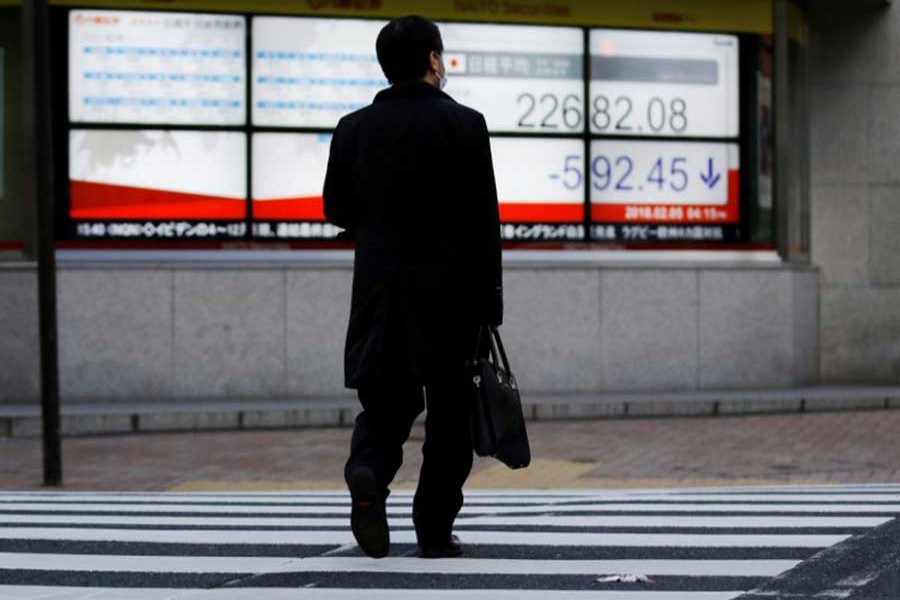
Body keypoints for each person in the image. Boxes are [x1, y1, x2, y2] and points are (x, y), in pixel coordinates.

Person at [323, 15, 502, 559]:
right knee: (450, 423)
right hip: (450, 302)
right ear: (432, 60)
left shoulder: (353, 128)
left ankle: (368, 470)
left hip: (379, 298)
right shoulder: (465, 125)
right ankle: (433, 529)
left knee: (384, 407)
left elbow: (336, 209)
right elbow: (483, 225)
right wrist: (489, 310)